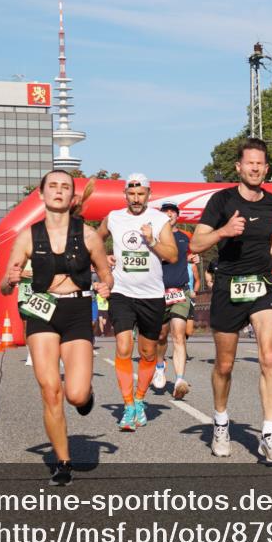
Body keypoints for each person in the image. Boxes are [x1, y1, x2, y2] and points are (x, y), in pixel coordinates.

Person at [190, 137, 272, 462]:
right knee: (224, 366)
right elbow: (196, 244)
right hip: (228, 286)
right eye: (248, 162)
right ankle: (221, 422)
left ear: (266, 168)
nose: (254, 168)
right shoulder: (221, 200)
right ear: (238, 167)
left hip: (262, 284)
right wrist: (223, 231)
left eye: (260, 163)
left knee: (268, 357)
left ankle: (268, 433)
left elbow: (268, 240)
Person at [0, 170, 113, 486]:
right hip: (41, 313)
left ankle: (85, 396)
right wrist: (10, 281)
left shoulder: (88, 235)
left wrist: (105, 286)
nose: (59, 191)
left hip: (76, 311)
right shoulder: (27, 236)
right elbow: (7, 286)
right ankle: (63, 463)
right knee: (51, 390)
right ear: (41, 194)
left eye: (65, 187)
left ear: (73, 197)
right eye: (53, 186)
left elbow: (106, 274)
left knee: (74, 395)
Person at [97, 173, 178, 431]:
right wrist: (102, 259)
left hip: (152, 295)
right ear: (125, 194)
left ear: (148, 194)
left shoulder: (159, 219)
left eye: (140, 194)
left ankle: (140, 399)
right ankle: (128, 404)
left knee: (148, 352)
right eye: (131, 194)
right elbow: (93, 241)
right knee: (123, 347)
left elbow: (173, 255)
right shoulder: (113, 217)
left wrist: (152, 240)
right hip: (122, 292)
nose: (135, 198)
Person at [153, 202, 196, 400]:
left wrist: (194, 257)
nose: (169, 215)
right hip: (158, 292)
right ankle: (160, 366)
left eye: (173, 213)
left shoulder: (185, 237)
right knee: (161, 336)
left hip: (180, 292)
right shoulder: (153, 237)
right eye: (165, 213)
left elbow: (196, 250)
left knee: (178, 334)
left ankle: (180, 379)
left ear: (178, 217)